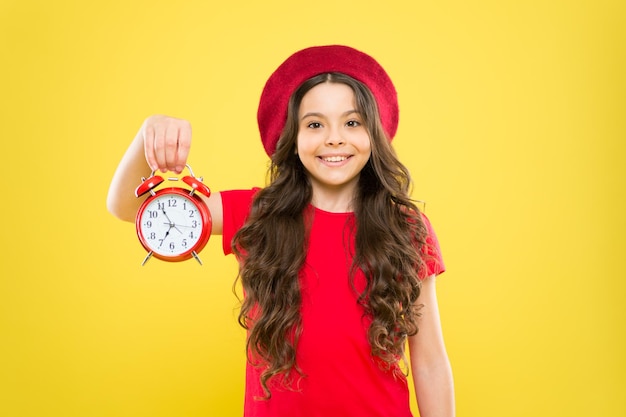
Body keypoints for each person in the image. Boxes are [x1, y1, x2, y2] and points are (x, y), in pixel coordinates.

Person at [107, 45, 455, 417]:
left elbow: (430, 362)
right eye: (315, 124)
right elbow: (127, 206)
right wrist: (148, 136)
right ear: (292, 137)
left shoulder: (407, 228)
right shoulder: (255, 214)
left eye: (352, 123)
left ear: (374, 132)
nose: (334, 138)